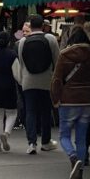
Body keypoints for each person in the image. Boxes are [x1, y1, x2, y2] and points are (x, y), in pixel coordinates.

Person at [52, 27, 90, 179]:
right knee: (81, 140)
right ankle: (79, 173)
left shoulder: (64, 55)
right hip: (87, 102)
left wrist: (56, 99)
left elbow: (56, 80)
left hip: (68, 101)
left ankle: (73, 157)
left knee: (64, 136)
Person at [16, 16, 61, 154]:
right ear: (43, 25)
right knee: (45, 111)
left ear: (31, 26)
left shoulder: (23, 41)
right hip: (46, 81)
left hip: (28, 81)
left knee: (30, 111)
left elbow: (22, 63)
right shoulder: (51, 39)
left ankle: (31, 143)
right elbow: (57, 60)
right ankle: (46, 142)